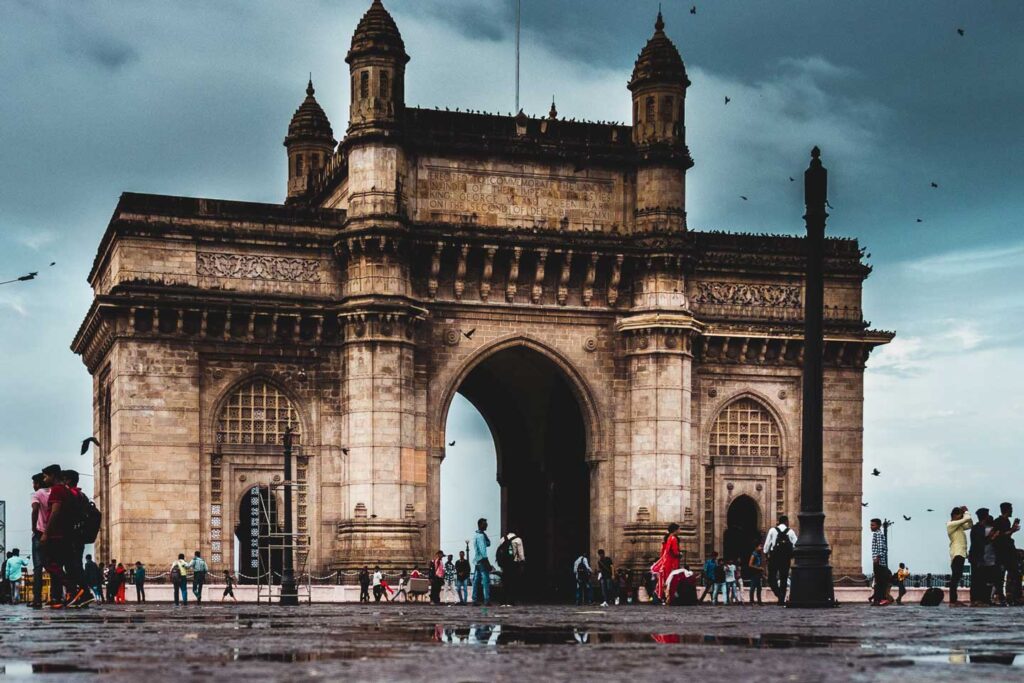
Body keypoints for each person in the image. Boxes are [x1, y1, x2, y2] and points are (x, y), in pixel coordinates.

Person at [42, 469, 90, 608]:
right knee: (72, 566)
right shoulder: (76, 494)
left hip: (59, 534)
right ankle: (80, 593)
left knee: (51, 563)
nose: (44, 479)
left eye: (46, 476)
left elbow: (55, 511)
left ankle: (73, 591)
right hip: (73, 534)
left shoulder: (59, 490)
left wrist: (46, 532)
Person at [29, 469, 55, 609]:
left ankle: (37, 599)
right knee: (53, 566)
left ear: (38, 483)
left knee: (38, 567)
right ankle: (56, 596)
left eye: (34, 482)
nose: (33, 485)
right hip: (53, 533)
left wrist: (33, 527)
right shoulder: (52, 493)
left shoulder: (36, 494)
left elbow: (35, 509)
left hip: (40, 533)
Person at [764, 514, 797, 605]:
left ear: (779, 522)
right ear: (786, 522)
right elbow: (796, 544)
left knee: (771, 578)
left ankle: (778, 594)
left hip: (774, 557)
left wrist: (766, 554)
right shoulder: (790, 532)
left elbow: (766, 546)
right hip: (785, 558)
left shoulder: (772, 530)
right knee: (784, 578)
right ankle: (781, 599)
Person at [992, 502, 1021, 605]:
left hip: (1007, 552)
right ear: (1007, 510)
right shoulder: (998, 521)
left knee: (1015, 574)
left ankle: (1015, 596)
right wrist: (1011, 530)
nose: (1012, 511)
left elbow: (1006, 535)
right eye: (1011, 509)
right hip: (1002, 552)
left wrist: (1012, 530)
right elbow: (999, 536)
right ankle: (1002, 597)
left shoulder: (1006, 521)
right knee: (1001, 576)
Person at [946, 506, 973, 605]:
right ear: (954, 515)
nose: (961, 517)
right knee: (955, 577)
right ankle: (953, 600)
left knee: (957, 577)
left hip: (961, 553)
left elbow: (970, 524)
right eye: (959, 515)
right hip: (957, 553)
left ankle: (954, 600)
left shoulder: (959, 526)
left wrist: (965, 514)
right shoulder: (951, 524)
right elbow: (967, 519)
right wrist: (966, 511)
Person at [650, 523, 680, 604]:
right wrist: (680, 554)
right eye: (678, 529)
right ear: (675, 530)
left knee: (664, 580)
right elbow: (675, 551)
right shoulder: (673, 538)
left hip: (665, 562)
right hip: (671, 563)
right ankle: (668, 598)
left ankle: (659, 597)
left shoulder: (668, 538)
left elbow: (663, 552)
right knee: (670, 580)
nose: (679, 531)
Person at [969, 508, 994, 605]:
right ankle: (976, 599)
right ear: (985, 516)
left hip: (977, 556)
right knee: (977, 579)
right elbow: (981, 542)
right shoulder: (978, 528)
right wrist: (991, 537)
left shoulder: (978, 527)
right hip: (977, 557)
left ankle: (979, 599)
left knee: (980, 578)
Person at [496, 531, 525, 606]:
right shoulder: (518, 540)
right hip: (513, 564)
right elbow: (521, 553)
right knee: (512, 582)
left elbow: (500, 552)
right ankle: (510, 601)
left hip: (505, 564)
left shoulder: (502, 539)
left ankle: (502, 601)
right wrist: (522, 562)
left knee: (504, 582)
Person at [869, 518, 891, 605]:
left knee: (879, 581)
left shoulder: (877, 534)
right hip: (879, 560)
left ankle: (881, 599)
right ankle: (878, 600)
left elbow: (880, 547)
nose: (871, 527)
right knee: (879, 581)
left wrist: (877, 558)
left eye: (872, 525)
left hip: (878, 561)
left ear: (878, 526)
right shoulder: (879, 534)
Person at [472, 518, 492, 606]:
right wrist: (487, 562)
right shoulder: (481, 536)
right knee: (485, 581)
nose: (487, 525)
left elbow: (488, 543)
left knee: (476, 580)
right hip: (482, 560)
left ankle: (474, 599)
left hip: (477, 560)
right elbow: (484, 549)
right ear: (481, 525)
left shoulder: (476, 535)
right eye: (485, 524)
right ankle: (486, 600)